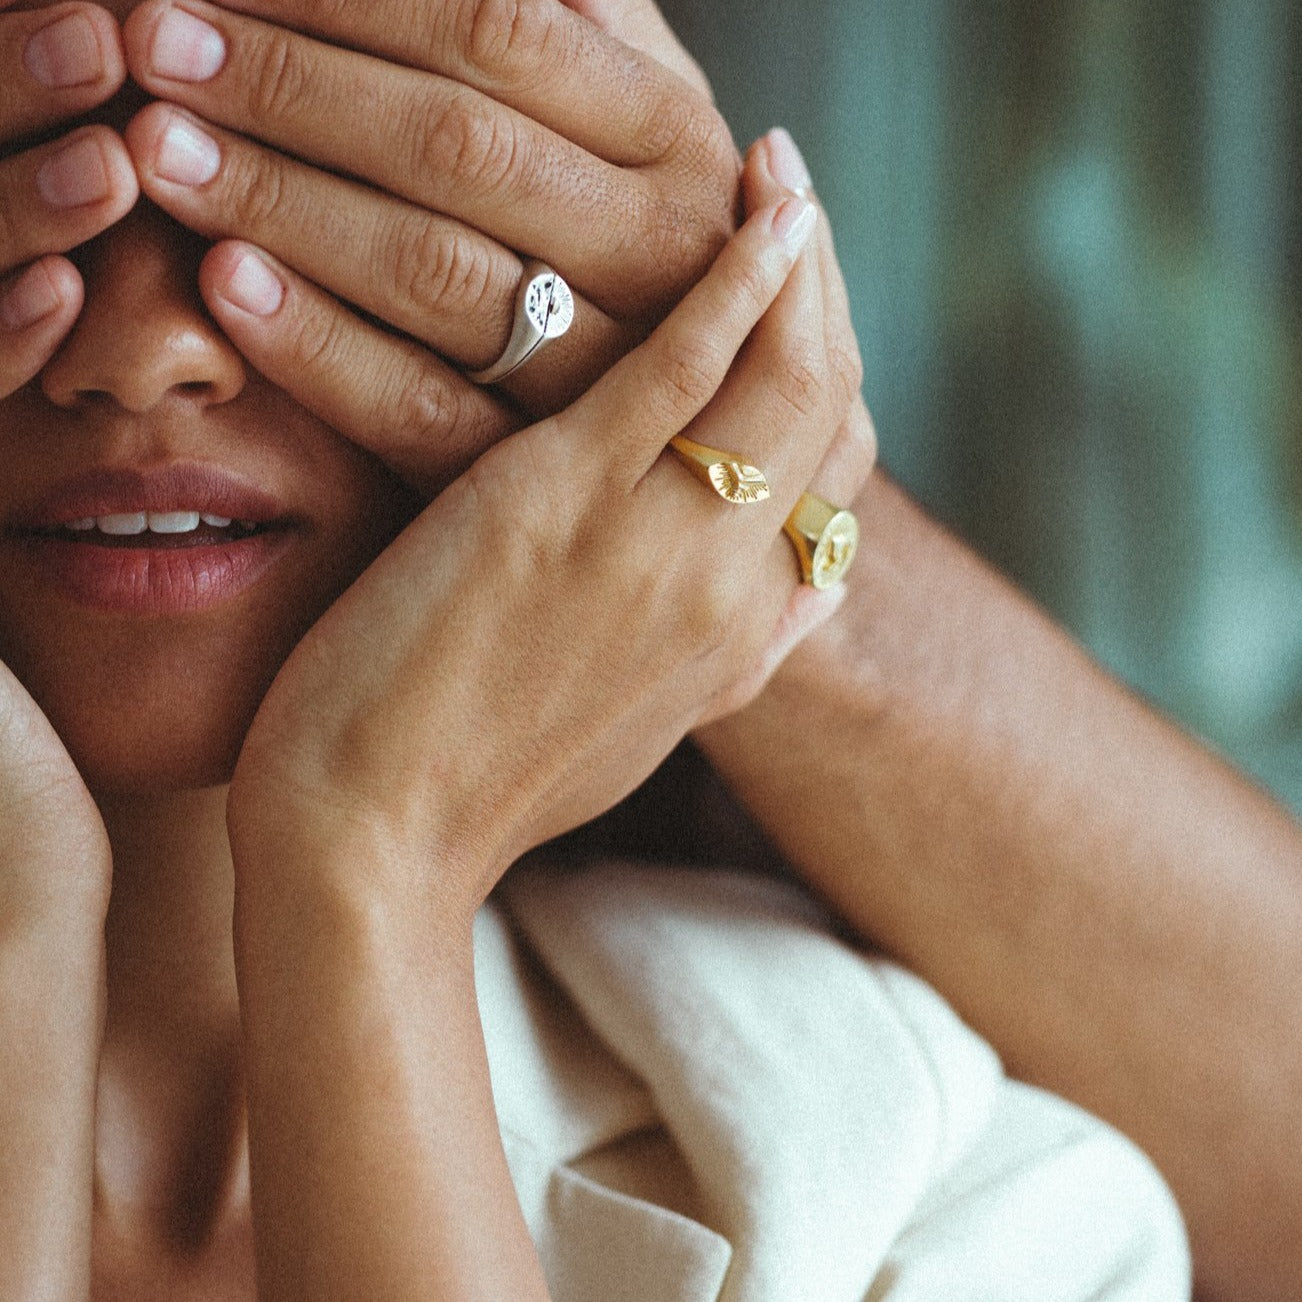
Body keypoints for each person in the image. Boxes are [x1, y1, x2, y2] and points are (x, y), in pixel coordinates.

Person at [0, 0, 1289, 1298]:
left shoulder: (909, 1173)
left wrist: (371, 856)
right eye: (30, 168)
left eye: (281, 176)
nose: (141, 349)